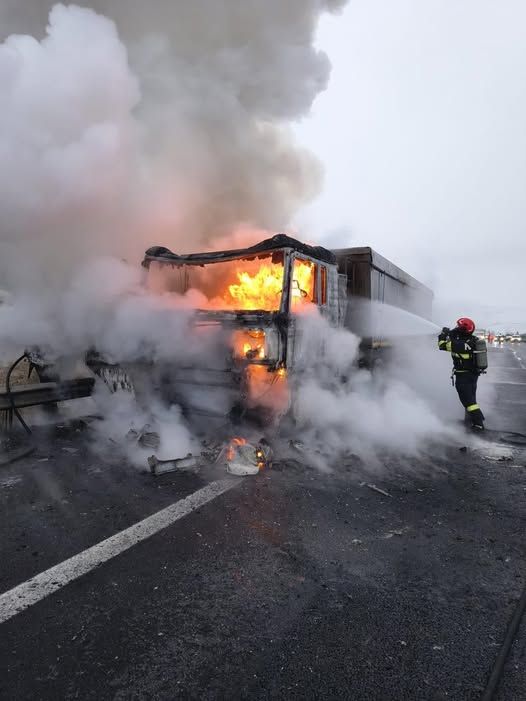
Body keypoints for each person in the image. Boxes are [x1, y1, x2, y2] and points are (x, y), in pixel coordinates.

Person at [438, 317, 485, 430]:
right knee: (471, 398)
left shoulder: (460, 344)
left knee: (467, 400)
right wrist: (451, 331)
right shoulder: (471, 340)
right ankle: (470, 420)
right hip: (472, 374)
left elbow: (442, 345)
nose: (456, 328)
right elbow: (456, 336)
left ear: (463, 330)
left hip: (464, 376)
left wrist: (443, 335)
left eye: (458, 327)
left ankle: (478, 423)